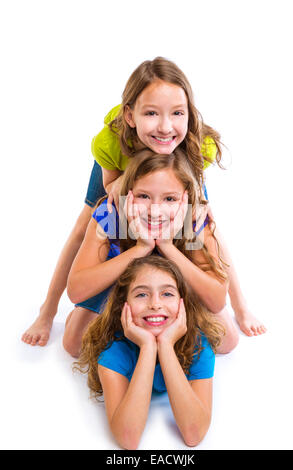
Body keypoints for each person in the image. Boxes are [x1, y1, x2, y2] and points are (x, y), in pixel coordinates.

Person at [21, 56, 265, 348]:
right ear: (130, 116)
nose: (164, 127)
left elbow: (195, 204)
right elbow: (111, 187)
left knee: (204, 223)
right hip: (122, 176)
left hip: (177, 171)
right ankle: (47, 311)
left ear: (189, 114)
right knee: (85, 227)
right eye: (151, 114)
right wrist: (123, 188)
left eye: (177, 113)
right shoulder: (110, 141)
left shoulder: (199, 144)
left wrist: (188, 210)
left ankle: (239, 306)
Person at [64, 149, 239, 358]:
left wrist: (167, 246)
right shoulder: (110, 214)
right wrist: (140, 249)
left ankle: (160, 328)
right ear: (127, 193)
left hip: (170, 290)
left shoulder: (193, 219)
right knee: (75, 344)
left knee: (227, 340)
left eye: (170, 199)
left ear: (186, 198)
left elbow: (217, 299)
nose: (155, 211)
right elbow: (75, 290)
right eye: (143, 196)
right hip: (120, 285)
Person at [73, 255, 225, 449]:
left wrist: (166, 345)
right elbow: (129, 439)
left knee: (226, 335)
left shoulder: (199, 345)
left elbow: (193, 435)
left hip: (187, 325)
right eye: (141, 295)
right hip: (112, 325)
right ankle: (77, 312)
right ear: (123, 305)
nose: (155, 304)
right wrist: (147, 347)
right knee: (74, 341)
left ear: (182, 303)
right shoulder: (114, 351)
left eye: (167, 294)